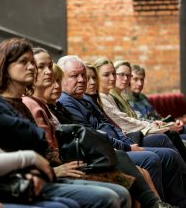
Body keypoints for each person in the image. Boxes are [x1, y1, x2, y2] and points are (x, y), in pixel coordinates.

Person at [0, 34, 130, 208]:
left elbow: (34, 138)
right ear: (5, 66)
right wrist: (41, 166)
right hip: (21, 179)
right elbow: (32, 136)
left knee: (124, 179)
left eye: (43, 65)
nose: (34, 68)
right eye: (25, 62)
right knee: (112, 193)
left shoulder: (7, 99)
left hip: (33, 172)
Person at [57, 55, 186, 207]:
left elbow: (110, 125)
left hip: (121, 143)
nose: (83, 80)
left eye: (83, 75)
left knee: (167, 148)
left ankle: (177, 202)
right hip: (105, 153)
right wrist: (128, 146)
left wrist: (128, 142)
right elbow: (93, 135)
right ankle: (164, 203)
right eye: (74, 76)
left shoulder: (85, 99)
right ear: (60, 78)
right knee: (155, 156)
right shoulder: (67, 101)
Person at [104, 60, 186, 162]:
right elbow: (126, 122)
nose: (125, 79)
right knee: (166, 137)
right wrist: (160, 126)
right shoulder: (109, 97)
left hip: (141, 130)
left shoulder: (124, 97)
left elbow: (140, 117)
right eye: (121, 75)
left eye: (128, 76)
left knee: (178, 131)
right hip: (131, 136)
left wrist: (163, 124)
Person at [127, 64, 186, 141]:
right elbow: (141, 122)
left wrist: (174, 122)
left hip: (162, 127)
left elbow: (158, 117)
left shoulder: (143, 97)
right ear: (128, 80)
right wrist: (167, 127)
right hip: (153, 133)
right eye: (135, 79)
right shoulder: (126, 100)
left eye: (142, 79)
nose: (140, 83)